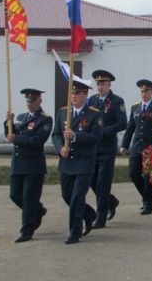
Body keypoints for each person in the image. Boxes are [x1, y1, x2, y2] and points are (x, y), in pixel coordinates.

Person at [52, 81, 102, 244]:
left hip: (84, 162)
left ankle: (75, 231)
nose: (73, 96)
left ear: (84, 95)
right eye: (72, 93)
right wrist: (60, 148)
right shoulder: (63, 112)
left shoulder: (94, 114)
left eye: (77, 93)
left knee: (77, 198)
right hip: (67, 162)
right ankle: (89, 214)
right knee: (67, 195)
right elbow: (56, 135)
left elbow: (96, 137)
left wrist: (75, 136)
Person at [5, 88, 53, 243]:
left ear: (39, 100)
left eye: (32, 101)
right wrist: (8, 122)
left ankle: (27, 230)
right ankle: (38, 210)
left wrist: (16, 138)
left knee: (29, 198)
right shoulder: (21, 117)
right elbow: (9, 135)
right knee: (15, 195)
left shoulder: (45, 119)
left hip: (33, 165)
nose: (29, 104)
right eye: (27, 101)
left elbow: (38, 141)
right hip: (18, 164)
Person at [88, 70, 127, 228]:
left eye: (103, 83)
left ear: (109, 84)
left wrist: (103, 132)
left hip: (107, 148)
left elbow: (122, 123)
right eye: (98, 84)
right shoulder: (91, 100)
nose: (100, 86)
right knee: (91, 180)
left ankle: (101, 216)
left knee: (103, 182)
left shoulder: (117, 101)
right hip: (92, 148)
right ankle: (110, 201)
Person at [120, 79, 152, 214]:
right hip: (136, 146)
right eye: (142, 91)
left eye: (147, 91)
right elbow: (130, 128)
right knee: (133, 173)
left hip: (151, 147)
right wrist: (124, 145)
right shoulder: (135, 107)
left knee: (148, 177)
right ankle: (147, 197)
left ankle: (148, 204)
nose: (144, 94)